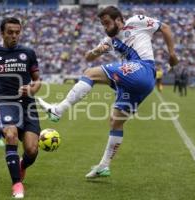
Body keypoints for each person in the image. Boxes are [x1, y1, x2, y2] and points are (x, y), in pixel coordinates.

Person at [38, 6, 178, 178]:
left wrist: (172, 53)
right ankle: (104, 166)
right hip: (139, 83)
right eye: (102, 25)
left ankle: (58, 110)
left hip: (143, 68)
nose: (105, 27)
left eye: (107, 23)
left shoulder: (136, 21)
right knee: (116, 122)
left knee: (90, 74)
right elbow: (88, 57)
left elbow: (165, 27)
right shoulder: (110, 40)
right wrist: (98, 50)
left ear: (119, 20)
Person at [0, 18, 41, 199]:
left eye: (17, 32)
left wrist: (32, 89)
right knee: (10, 135)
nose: (14, 36)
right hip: (4, 102)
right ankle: (17, 184)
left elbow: (37, 80)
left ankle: (21, 165)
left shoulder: (28, 52)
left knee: (32, 150)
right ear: (2, 33)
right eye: (10, 32)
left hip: (27, 104)